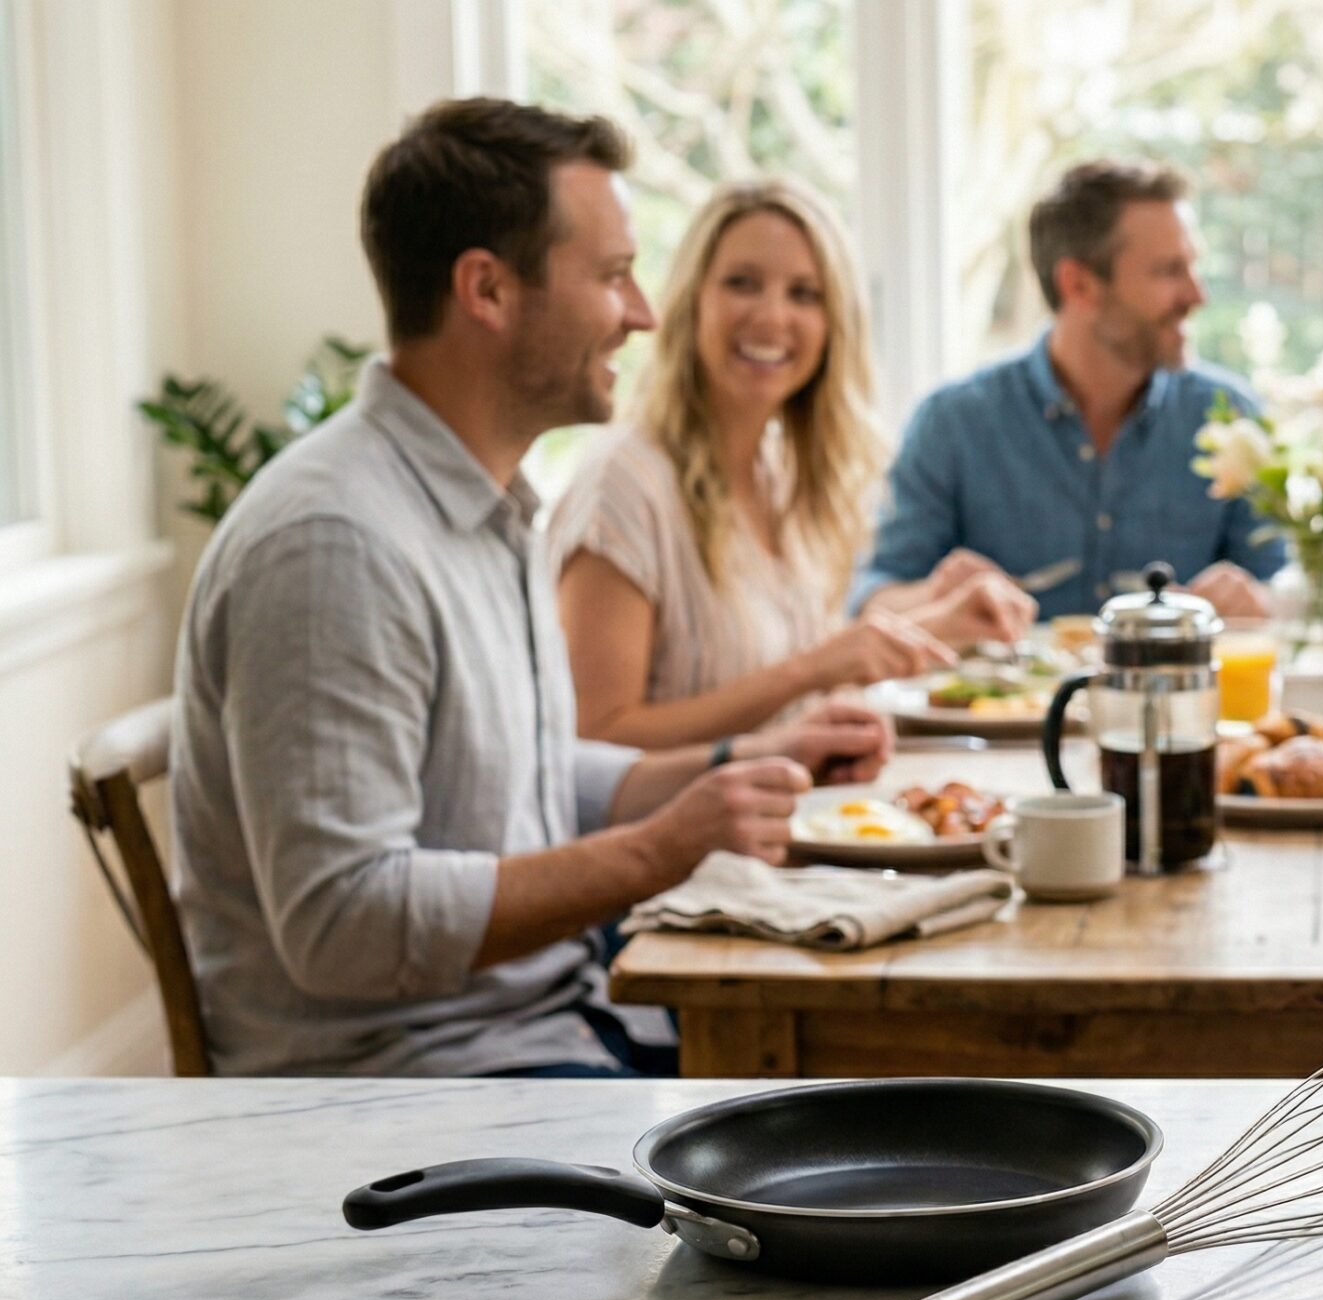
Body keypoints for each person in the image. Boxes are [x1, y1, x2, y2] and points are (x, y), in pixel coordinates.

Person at [170, 100, 895, 1077]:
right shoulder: (334, 543)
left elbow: (528, 777)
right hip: (411, 1085)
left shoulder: (483, 502)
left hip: (546, 1018)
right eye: (610, 276)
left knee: (874, 1082)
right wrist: (653, 852)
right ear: (487, 290)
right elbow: (341, 922)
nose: (641, 314)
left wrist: (743, 759)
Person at [551, 178, 1030, 748]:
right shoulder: (624, 486)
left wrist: (942, 624)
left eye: (805, 294)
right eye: (742, 284)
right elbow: (594, 741)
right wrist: (812, 670)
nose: (773, 317)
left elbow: (792, 682)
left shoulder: (781, 473)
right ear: (692, 300)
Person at [849, 160, 1282, 622]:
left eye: (1193, 267)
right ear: (1079, 284)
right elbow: (874, 599)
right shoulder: (953, 422)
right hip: (1006, 695)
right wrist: (934, 596)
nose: (1197, 295)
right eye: (1169, 271)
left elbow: (1284, 585)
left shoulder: (1231, 418)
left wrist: (1260, 599)